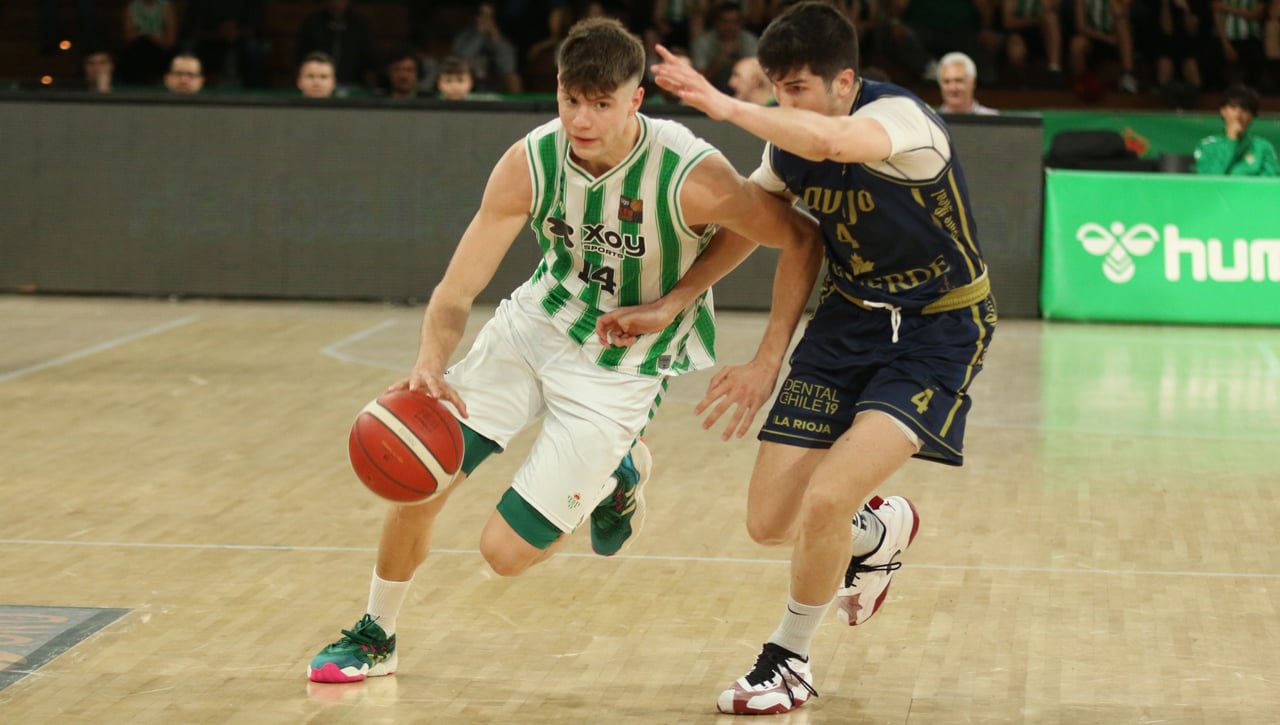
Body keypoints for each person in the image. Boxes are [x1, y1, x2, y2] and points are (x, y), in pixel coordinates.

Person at [306, 16, 820, 686]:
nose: (582, 119)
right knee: (423, 463)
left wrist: (680, 299)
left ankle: (619, 473)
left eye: (601, 103)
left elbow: (793, 236)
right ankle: (378, 632)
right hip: (533, 328)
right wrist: (431, 360)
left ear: (634, 100)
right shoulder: (531, 161)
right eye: (571, 99)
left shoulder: (689, 173)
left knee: (505, 553)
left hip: (623, 364)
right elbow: (458, 287)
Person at [618, 1, 997, 714]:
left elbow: (828, 142)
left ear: (844, 82)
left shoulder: (905, 125)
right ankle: (878, 529)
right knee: (770, 519)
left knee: (826, 495)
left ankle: (789, 658)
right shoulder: (786, 146)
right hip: (848, 319)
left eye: (796, 90)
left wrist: (725, 106)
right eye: (775, 89)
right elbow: (764, 230)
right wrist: (688, 307)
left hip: (937, 327)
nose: (782, 103)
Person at [1194, 84, 1280, 176]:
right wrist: (1231, 141)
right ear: (1223, 111)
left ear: (1251, 117)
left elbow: (1271, 185)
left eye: (1245, 109)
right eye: (1233, 107)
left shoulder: (1263, 148)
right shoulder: (1207, 146)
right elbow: (1208, 180)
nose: (1238, 114)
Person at [296, 0, 376, 92]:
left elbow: (370, 60)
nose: (336, 2)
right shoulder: (312, 23)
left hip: (353, 85)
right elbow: (300, 58)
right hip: (317, 85)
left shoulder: (361, 24)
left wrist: (371, 87)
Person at [451, 1, 523, 94]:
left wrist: (496, 39)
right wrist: (480, 35)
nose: (486, 20)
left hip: (494, 81)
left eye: (490, 16)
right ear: (476, 17)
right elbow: (462, 60)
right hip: (469, 79)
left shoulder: (501, 38)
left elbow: (509, 67)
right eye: (483, 15)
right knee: (458, 75)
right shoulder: (464, 36)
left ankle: (515, 107)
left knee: (514, 79)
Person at [1070, 0, 1140, 93]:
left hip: (1115, 35)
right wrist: (1106, 38)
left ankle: (1128, 77)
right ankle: (1082, 83)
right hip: (1092, 37)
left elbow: (1122, 15)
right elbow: (1081, 26)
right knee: (1077, 43)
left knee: (1122, 25)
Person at [690, 2, 760, 93]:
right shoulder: (702, 43)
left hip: (744, 94)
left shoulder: (750, 41)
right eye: (725, 21)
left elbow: (758, 77)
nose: (729, 27)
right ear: (716, 22)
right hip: (710, 93)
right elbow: (698, 81)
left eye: (734, 22)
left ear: (742, 23)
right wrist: (721, 59)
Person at [118, 0, 177, 86]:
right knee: (141, 47)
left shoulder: (166, 6)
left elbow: (170, 40)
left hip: (160, 49)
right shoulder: (133, 6)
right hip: (137, 48)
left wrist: (152, 38)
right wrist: (151, 36)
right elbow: (128, 37)